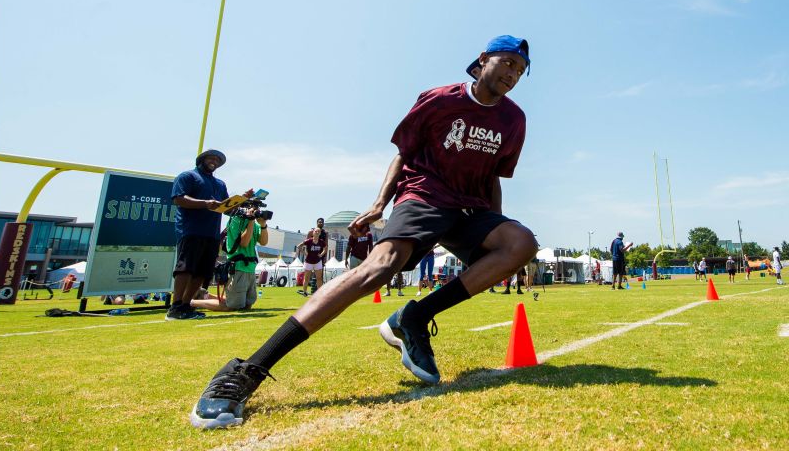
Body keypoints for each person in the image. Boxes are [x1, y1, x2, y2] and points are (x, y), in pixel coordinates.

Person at [189, 35, 537, 428]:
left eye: (520, 70)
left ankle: (414, 318)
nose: (513, 73)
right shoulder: (440, 100)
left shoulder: (515, 119)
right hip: (424, 196)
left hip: (469, 207)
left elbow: (493, 175)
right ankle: (248, 370)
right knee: (378, 269)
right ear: (483, 60)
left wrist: (495, 228)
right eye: (507, 62)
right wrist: (378, 205)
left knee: (521, 242)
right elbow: (403, 154)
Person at [170, 150, 252, 321]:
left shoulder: (220, 184)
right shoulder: (188, 176)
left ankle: (186, 305)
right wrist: (205, 203)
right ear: (201, 160)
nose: (214, 161)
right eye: (211, 158)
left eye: (218, 160)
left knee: (203, 272)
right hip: (191, 230)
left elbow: (228, 209)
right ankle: (175, 307)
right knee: (186, 268)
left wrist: (242, 200)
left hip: (212, 234)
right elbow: (178, 199)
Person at [191, 201, 269, 313]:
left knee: (246, 306)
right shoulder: (236, 221)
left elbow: (264, 242)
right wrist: (251, 220)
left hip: (250, 268)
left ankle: (203, 295)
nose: (256, 211)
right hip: (238, 267)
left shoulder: (255, 224)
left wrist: (263, 225)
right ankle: (191, 302)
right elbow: (244, 242)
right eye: (254, 208)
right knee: (231, 306)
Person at [296, 220, 329, 297]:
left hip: (317, 262)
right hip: (309, 262)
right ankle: (304, 292)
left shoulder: (321, 241)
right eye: (316, 231)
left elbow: (325, 248)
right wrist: (304, 253)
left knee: (319, 278)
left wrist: (321, 254)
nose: (317, 233)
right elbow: (299, 246)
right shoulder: (309, 241)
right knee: (307, 278)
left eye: (318, 232)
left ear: (320, 233)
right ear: (313, 232)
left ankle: (320, 293)